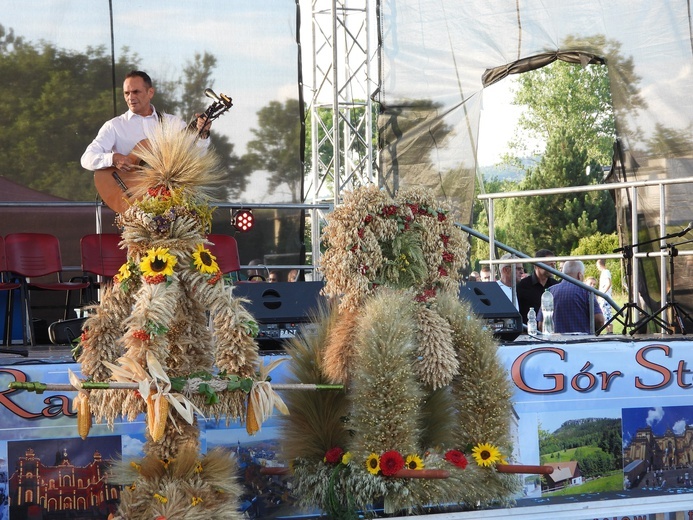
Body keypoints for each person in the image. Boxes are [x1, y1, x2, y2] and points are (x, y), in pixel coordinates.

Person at [81, 70, 211, 174]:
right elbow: (87, 158)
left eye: (136, 92)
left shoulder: (173, 123)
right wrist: (113, 159)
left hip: (167, 198)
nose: (130, 97)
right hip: (128, 199)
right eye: (126, 93)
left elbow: (197, 158)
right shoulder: (114, 126)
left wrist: (202, 135)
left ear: (150, 92)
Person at [538, 260, 605, 334]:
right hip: (582, 342)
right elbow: (599, 321)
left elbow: (541, 325)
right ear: (580, 275)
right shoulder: (587, 291)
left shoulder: (549, 292)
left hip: (556, 342)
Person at [517, 249, 559, 323]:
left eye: (554, 264)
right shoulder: (522, 286)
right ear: (537, 265)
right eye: (550, 264)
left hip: (551, 330)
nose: (553, 267)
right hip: (528, 331)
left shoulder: (555, 285)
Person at [596, 258, 613, 333]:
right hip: (602, 299)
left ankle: (610, 332)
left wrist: (602, 294)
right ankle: (608, 332)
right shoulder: (603, 272)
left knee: (607, 317)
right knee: (605, 316)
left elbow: (608, 283)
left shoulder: (606, 272)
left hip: (605, 299)